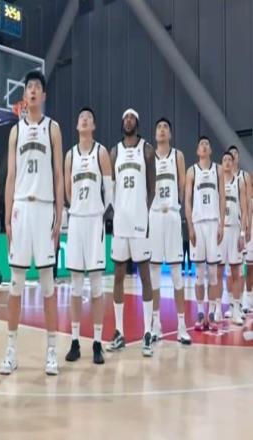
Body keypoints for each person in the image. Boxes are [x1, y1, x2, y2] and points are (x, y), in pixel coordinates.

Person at [0, 70, 64, 375]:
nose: (33, 91)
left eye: (38, 87)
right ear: (24, 96)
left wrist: (59, 216)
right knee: (16, 284)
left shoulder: (53, 128)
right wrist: (7, 216)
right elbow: (11, 176)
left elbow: (59, 174)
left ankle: (51, 351)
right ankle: (11, 351)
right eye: (29, 88)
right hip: (21, 208)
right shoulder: (16, 131)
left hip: (44, 208)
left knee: (48, 284)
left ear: (44, 95)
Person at [63, 107, 112, 364]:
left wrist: (101, 211)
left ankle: (97, 342)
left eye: (89, 118)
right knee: (75, 284)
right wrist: (77, 208)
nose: (84, 120)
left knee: (95, 284)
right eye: (81, 117)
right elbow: (67, 189)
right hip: (76, 220)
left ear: (93, 126)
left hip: (94, 221)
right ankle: (74, 341)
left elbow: (109, 189)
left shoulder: (101, 152)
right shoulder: (70, 155)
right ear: (77, 125)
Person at [107, 108, 156, 357]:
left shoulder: (146, 149)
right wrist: (118, 210)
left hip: (138, 221)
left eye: (132, 117)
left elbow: (152, 187)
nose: (128, 120)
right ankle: (119, 332)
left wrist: (143, 211)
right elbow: (110, 186)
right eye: (125, 117)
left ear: (137, 122)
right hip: (120, 222)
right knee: (118, 275)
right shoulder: (114, 151)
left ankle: (147, 332)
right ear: (122, 123)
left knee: (144, 275)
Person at [149, 118, 191, 344]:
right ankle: (156, 324)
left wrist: (177, 206)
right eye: (159, 127)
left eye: (166, 127)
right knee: (154, 272)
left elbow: (183, 186)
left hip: (172, 215)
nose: (162, 130)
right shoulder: (149, 157)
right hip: (155, 216)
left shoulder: (178, 156)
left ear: (170, 134)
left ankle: (182, 326)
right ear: (155, 134)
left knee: (176, 274)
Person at [185, 136, 225, 332]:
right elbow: (187, 200)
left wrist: (221, 224)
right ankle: (201, 313)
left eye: (207, 144)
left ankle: (212, 312)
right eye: (201, 144)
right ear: (197, 151)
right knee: (200, 274)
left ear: (210, 150)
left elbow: (223, 198)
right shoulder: (192, 171)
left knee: (214, 274)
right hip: (198, 224)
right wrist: (190, 227)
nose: (204, 145)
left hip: (213, 223)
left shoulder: (218, 170)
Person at [217, 152, 248, 325]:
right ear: (221, 164)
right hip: (221, 230)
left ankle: (236, 309)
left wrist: (243, 234)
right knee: (218, 272)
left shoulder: (239, 182)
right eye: (225, 160)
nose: (228, 162)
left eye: (230, 159)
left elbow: (244, 210)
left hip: (235, 230)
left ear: (233, 162)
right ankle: (218, 308)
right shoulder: (217, 182)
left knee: (236, 271)